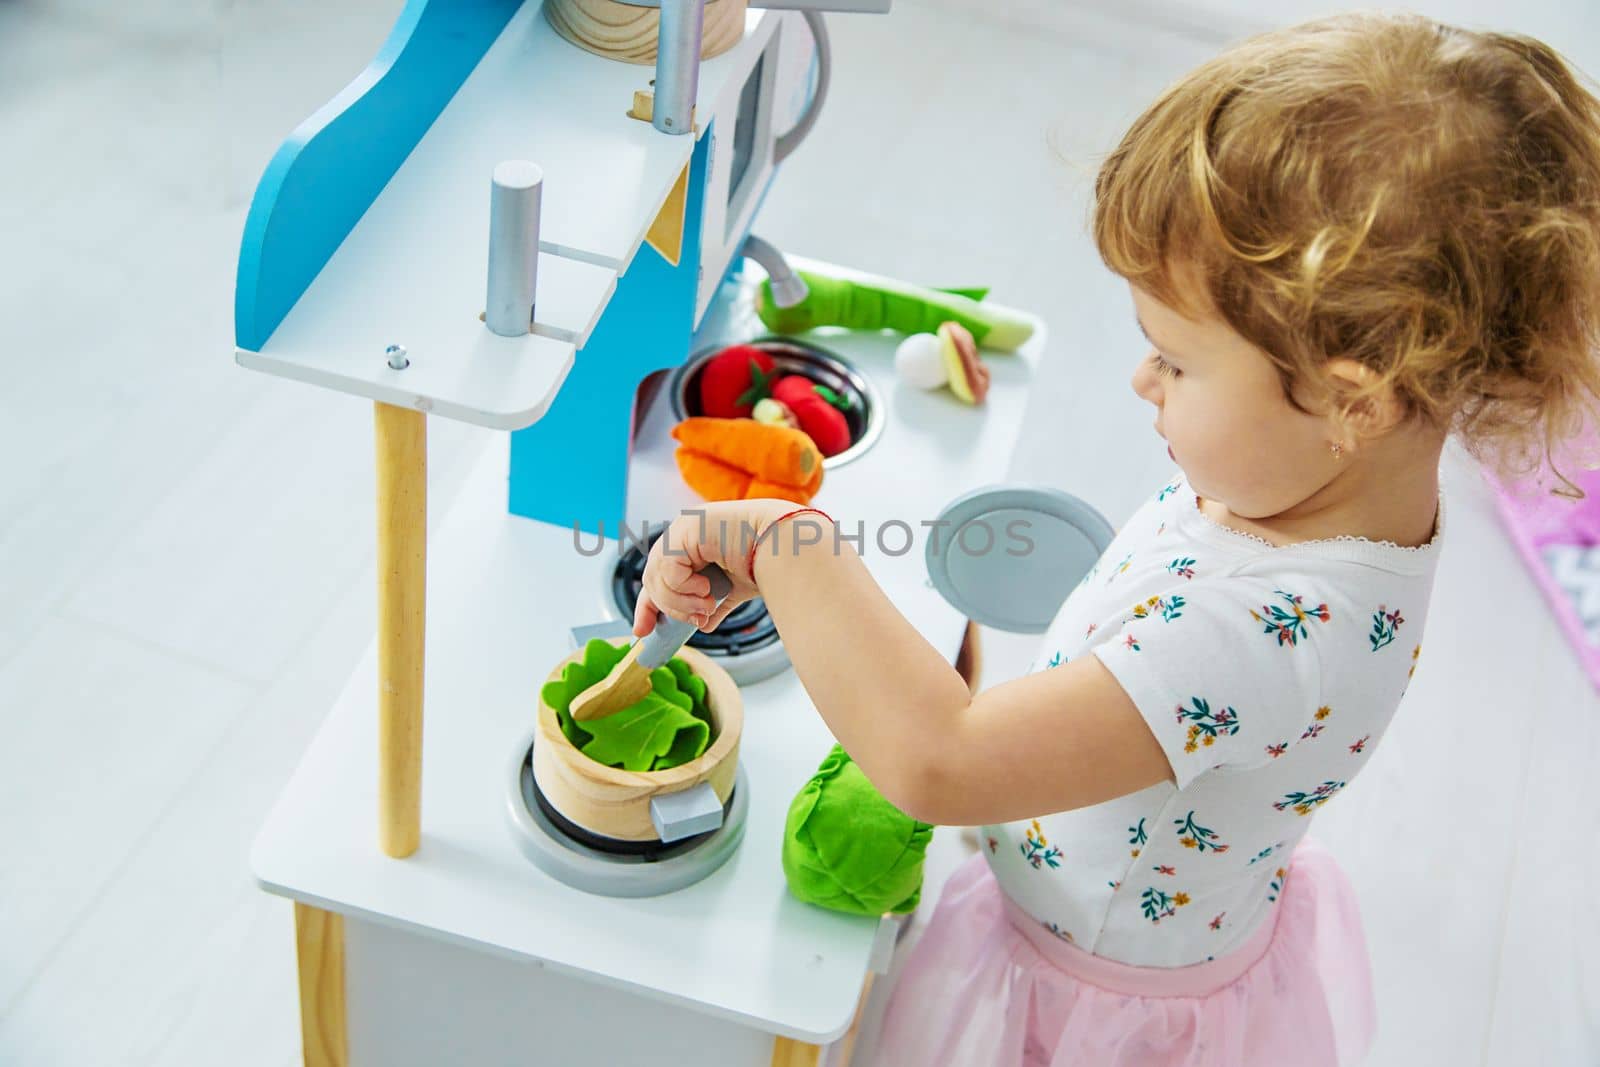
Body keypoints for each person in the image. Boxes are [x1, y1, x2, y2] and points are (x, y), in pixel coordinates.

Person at [634, 13, 1600, 1065]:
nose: (1142, 380)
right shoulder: (1331, 488)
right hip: (1141, 913)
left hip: (1075, 1007)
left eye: (1176, 361)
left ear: (1347, 399)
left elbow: (937, 763)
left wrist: (784, 536)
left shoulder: (1265, 632)